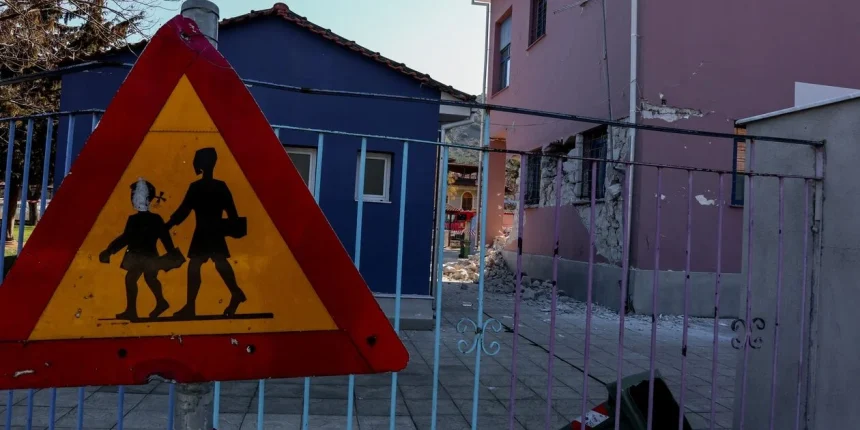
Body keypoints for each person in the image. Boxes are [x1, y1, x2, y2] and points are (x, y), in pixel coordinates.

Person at [166, 147, 246, 317]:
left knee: (201, 264)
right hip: (212, 231)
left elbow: (183, 211)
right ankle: (235, 293)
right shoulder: (219, 186)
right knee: (216, 262)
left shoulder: (197, 187)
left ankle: (193, 305)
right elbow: (232, 213)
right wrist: (169, 224)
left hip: (205, 231)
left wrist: (168, 225)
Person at [100, 179, 176, 320]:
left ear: (147, 198)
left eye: (136, 195)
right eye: (133, 195)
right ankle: (158, 303)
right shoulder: (136, 219)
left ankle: (141, 308)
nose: (134, 198)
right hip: (141, 256)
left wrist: (172, 254)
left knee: (138, 278)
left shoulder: (153, 219)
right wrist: (109, 251)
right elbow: (125, 238)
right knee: (146, 278)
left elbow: (165, 237)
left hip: (145, 256)